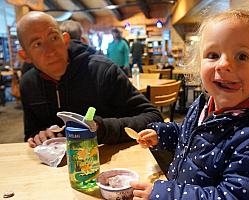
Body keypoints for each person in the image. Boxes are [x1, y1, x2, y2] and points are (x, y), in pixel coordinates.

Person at [130, 9, 249, 199]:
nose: (223, 64)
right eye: (213, 55)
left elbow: (234, 196)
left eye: (242, 56)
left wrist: (167, 195)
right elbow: (193, 138)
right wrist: (163, 134)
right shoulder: (205, 103)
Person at [16, 11, 163, 148]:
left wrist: (100, 128)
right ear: (26, 56)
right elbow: (31, 134)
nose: (50, 51)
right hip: (51, 170)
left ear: (65, 40)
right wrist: (38, 137)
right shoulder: (28, 84)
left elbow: (153, 117)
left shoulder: (103, 71)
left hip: (107, 164)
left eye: (54, 38)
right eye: (37, 44)